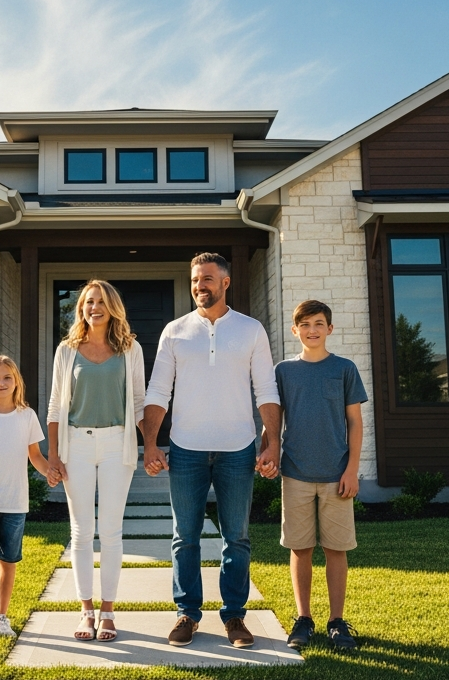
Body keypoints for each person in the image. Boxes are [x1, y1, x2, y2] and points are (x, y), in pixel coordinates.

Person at [143, 252, 280, 649]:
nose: (199, 286)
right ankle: (187, 613)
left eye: (206, 279)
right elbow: (157, 392)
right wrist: (151, 442)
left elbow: (266, 390)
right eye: (194, 280)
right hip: (186, 449)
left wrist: (272, 442)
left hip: (238, 448)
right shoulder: (174, 331)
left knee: (236, 537)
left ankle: (235, 616)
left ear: (225, 283)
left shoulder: (251, 330)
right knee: (184, 536)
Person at [45, 280, 147, 642]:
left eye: (101, 301)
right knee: (82, 532)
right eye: (89, 302)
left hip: (117, 443)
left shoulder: (130, 348)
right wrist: (53, 456)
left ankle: (108, 612)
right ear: (81, 308)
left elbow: (139, 401)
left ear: (112, 307)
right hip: (78, 445)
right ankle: (85, 611)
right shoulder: (67, 350)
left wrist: (150, 444)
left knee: (112, 531)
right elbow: (56, 405)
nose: (94, 307)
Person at [275, 300, 367, 651]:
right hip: (296, 473)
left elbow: (355, 422)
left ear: (330, 329)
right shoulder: (284, 371)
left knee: (335, 549)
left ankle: (337, 621)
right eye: (305, 324)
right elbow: (274, 419)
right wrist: (269, 450)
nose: (312, 330)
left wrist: (352, 470)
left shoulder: (344, 369)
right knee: (300, 548)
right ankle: (304, 618)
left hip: (336, 475)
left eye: (319, 323)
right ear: (294, 330)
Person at [0, 355, 60, 645]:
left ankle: (1, 617)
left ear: (16, 381)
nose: (1, 383)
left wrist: (50, 473)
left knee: (9, 561)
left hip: (15, 502)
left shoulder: (26, 416)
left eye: (7, 377)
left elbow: (36, 456)